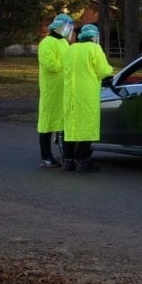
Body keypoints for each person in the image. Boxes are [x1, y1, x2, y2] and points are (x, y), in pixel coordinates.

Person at [62, 23, 113, 172]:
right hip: (87, 94)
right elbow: (103, 70)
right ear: (93, 36)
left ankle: (68, 160)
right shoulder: (94, 49)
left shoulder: (71, 49)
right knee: (86, 126)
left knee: (70, 126)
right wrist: (110, 71)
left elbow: (65, 67)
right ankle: (83, 161)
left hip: (70, 94)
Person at [36, 13, 73, 168]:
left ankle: (67, 154)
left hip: (64, 87)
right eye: (66, 27)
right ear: (58, 27)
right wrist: (66, 65)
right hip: (51, 89)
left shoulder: (64, 43)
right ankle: (46, 156)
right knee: (48, 122)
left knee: (63, 121)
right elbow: (51, 64)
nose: (68, 30)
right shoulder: (46, 43)